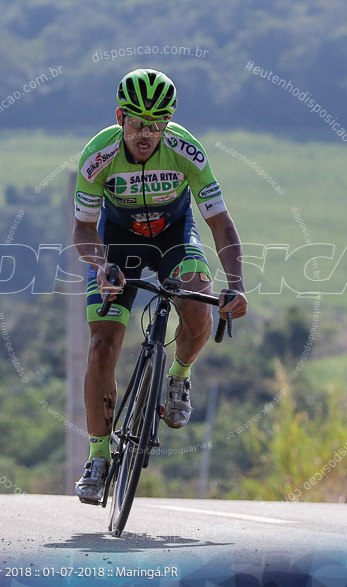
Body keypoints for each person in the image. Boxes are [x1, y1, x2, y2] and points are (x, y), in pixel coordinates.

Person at [71, 68, 247, 504]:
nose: (145, 134)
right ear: (119, 118)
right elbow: (82, 231)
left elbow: (220, 224)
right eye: (136, 124)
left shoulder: (187, 151)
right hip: (118, 243)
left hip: (173, 236)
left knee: (198, 303)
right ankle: (97, 456)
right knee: (101, 346)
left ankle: (180, 376)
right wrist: (101, 266)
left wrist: (237, 285)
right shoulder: (98, 156)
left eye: (155, 124)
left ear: (167, 124)